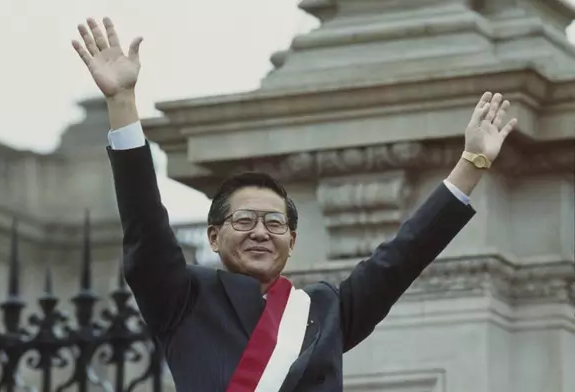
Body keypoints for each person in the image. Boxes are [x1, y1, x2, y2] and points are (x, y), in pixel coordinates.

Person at [72, 17, 517, 392]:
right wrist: (123, 103)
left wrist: (472, 162)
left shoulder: (326, 310)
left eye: (274, 223)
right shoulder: (183, 297)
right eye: (244, 220)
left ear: (292, 240)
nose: (261, 232)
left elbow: (403, 256)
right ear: (214, 236)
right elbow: (145, 227)